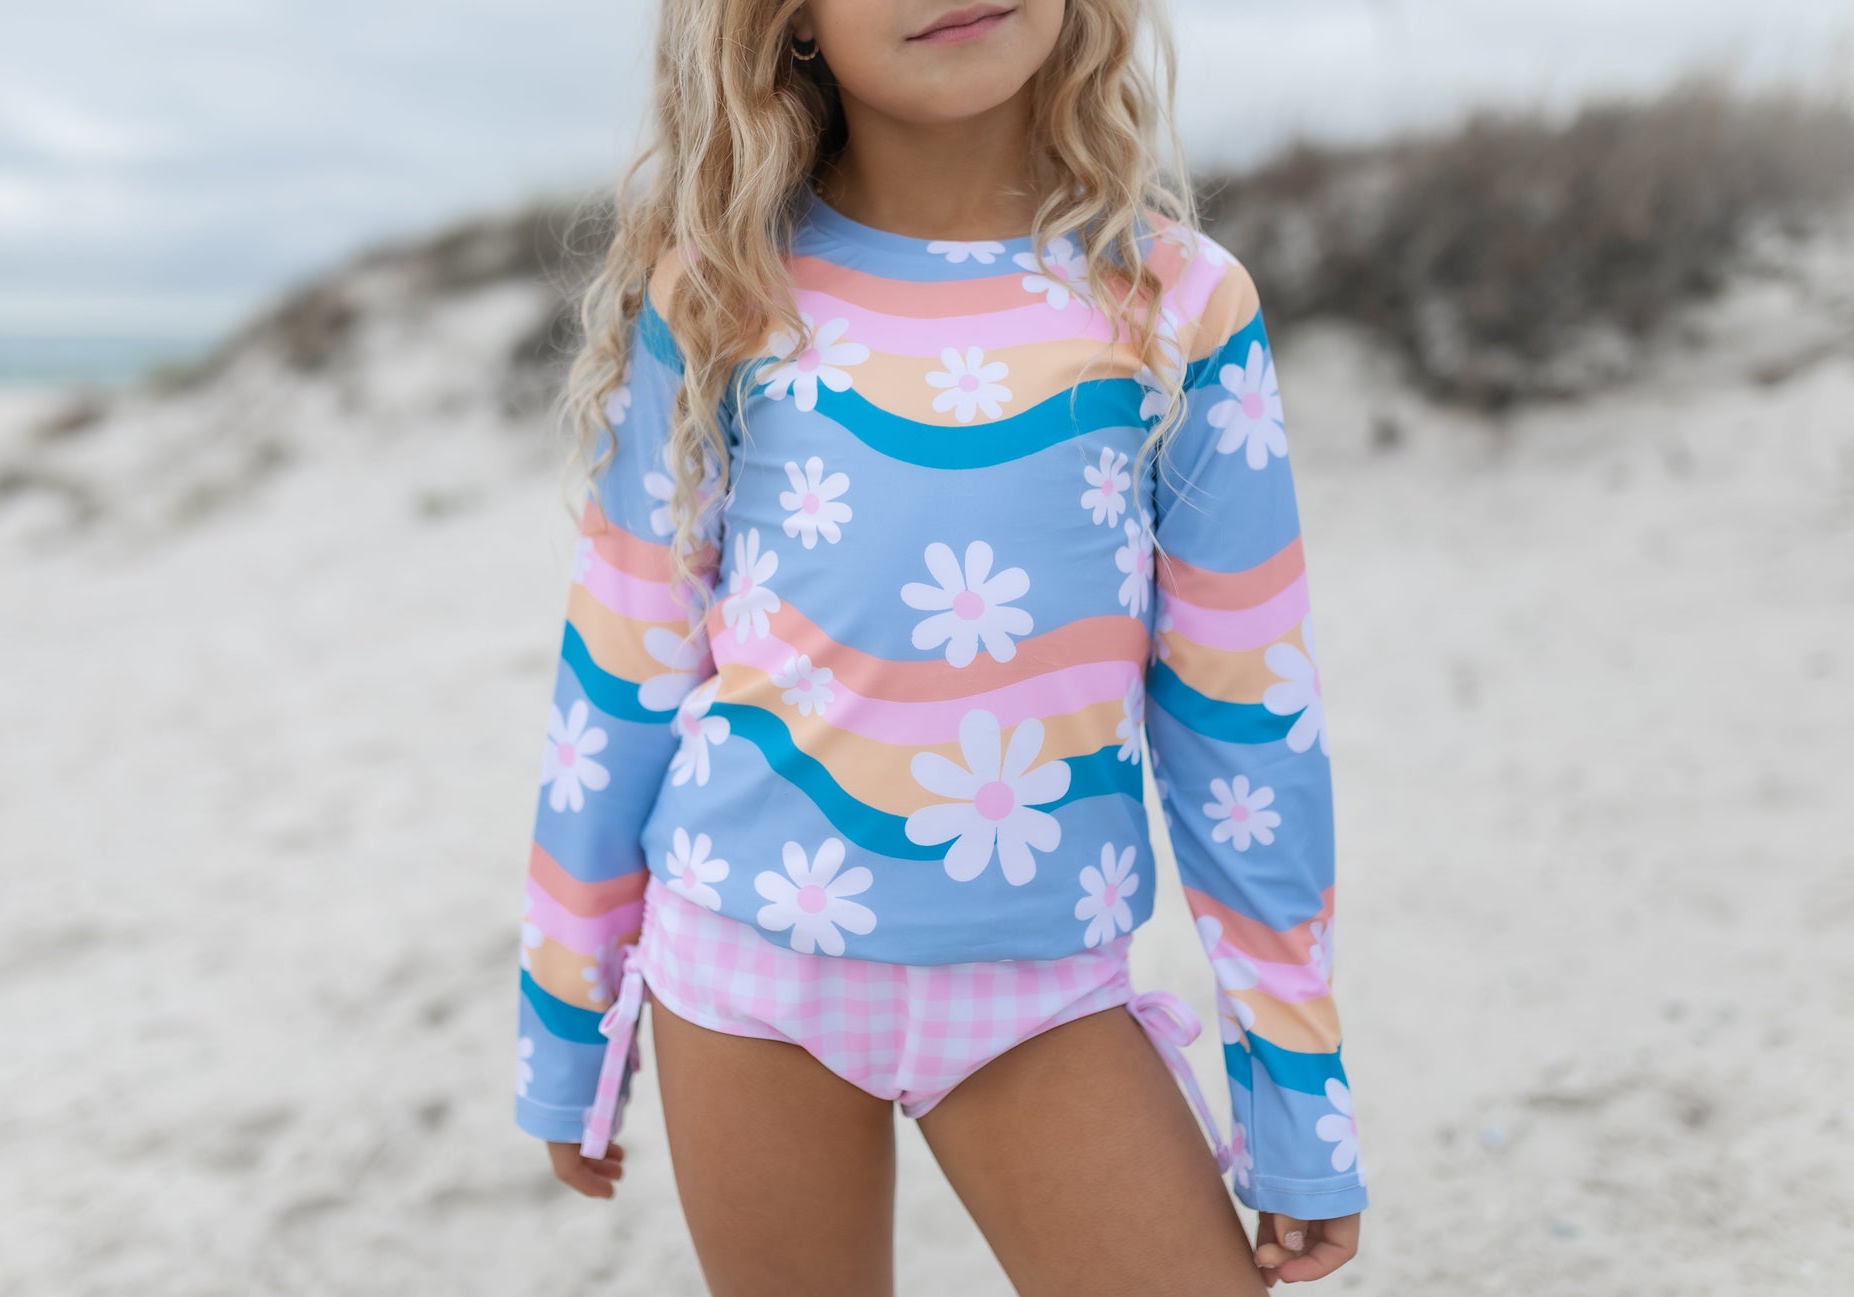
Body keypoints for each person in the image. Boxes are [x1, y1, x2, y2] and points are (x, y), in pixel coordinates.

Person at [511, 2, 1368, 1291]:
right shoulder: (720, 292)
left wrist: (1300, 1099)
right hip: (741, 968)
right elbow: (619, 670)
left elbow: (1247, 723)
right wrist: (568, 1028)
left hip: (1041, 992)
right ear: (790, 21)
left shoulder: (1179, 301)